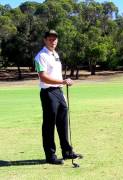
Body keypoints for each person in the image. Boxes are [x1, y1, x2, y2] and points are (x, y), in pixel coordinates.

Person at [34, 30, 82, 165]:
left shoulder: (55, 54)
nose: (53, 41)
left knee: (62, 122)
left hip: (58, 92)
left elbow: (56, 74)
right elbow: (43, 77)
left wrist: (64, 83)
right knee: (49, 125)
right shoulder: (41, 56)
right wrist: (62, 82)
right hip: (48, 93)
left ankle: (67, 152)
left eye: (55, 39)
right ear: (45, 40)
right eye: (50, 39)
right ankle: (50, 156)